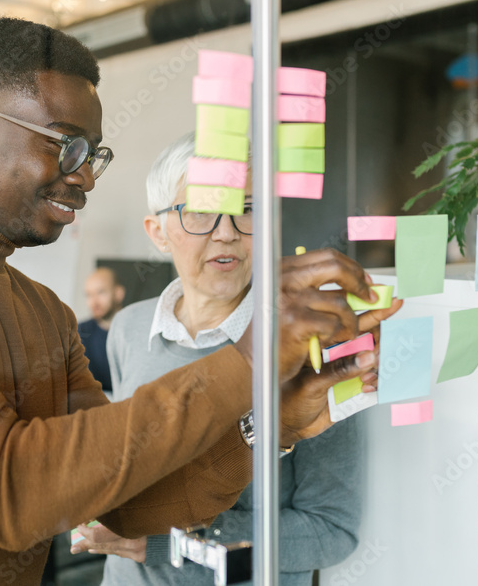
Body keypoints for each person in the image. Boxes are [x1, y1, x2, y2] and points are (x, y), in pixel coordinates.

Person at [0, 17, 400, 585]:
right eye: (64, 144)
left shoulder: (42, 311)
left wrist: (274, 424)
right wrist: (247, 362)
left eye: (95, 154)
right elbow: (5, 490)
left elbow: (123, 502)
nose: (86, 175)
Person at [72, 136, 382, 585]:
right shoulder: (129, 328)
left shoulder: (313, 347)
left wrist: (174, 539)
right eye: (199, 210)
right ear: (157, 232)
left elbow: (332, 531)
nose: (227, 231)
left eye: (248, 208)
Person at [78, 267, 126, 396]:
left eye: (100, 292)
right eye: (89, 294)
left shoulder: (136, 330)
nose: (94, 301)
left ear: (118, 293)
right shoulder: (79, 333)